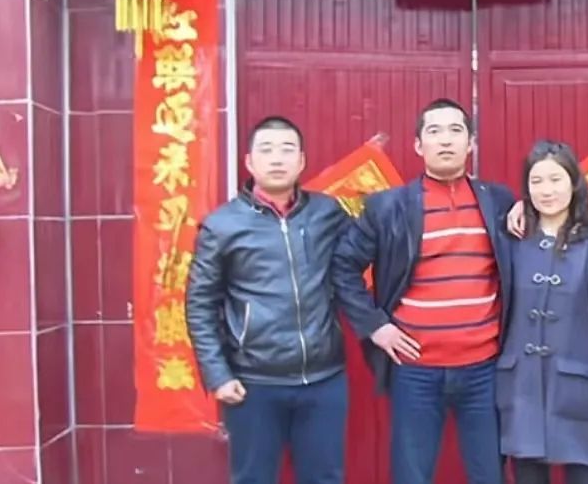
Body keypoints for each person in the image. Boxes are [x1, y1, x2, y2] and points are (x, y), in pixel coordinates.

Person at [329, 98, 516, 484]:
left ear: (470, 143)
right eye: (434, 131)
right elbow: (342, 267)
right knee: (411, 475)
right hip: (415, 371)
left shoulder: (500, 202)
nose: (445, 140)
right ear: (418, 145)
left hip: (484, 369)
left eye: (455, 131)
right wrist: (375, 325)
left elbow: (551, 233)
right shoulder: (388, 208)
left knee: (490, 474)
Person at [185, 116, 351, 484]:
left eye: (287, 150)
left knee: (325, 478)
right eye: (267, 150)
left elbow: (364, 253)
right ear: (249, 161)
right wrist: (218, 375)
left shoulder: (328, 213)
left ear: (301, 161)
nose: (277, 158)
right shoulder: (222, 225)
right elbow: (200, 305)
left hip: (323, 379)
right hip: (254, 383)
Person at [496, 140, 588, 484]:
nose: (546, 190)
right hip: (521, 387)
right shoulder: (512, 241)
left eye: (556, 179)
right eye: (536, 181)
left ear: (573, 183)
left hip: (579, 390)